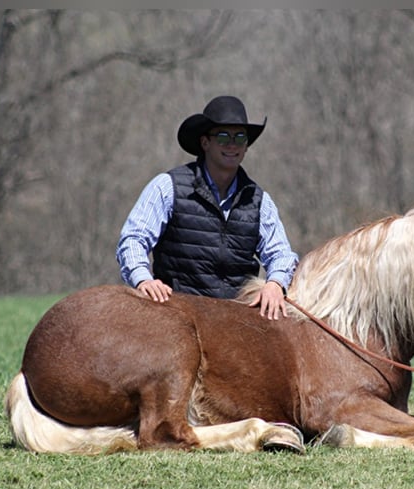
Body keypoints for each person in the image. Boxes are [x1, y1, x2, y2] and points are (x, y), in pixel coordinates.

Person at [116, 95, 298, 320]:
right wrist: (143, 279)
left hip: (236, 318)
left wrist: (275, 284)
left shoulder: (260, 201)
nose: (232, 144)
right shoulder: (168, 187)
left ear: (246, 147)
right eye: (223, 136)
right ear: (205, 143)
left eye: (240, 137)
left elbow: (282, 254)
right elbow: (133, 239)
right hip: (176, 312)